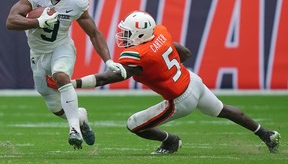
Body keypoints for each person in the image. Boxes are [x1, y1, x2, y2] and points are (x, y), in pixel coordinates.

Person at [50, 10, 280, 154]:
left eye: (127, 33)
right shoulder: (159, 34)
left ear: (140, 35)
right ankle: (266, 133)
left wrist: (73, 83)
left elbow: (108, 77)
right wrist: (168, 67)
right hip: (193, 81)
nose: (123, 37)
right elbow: (184, 52)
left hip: (180, 98)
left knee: (134, 124)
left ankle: (170, 141)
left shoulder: (138, 55)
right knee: (222, 110)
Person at [6, 0, 126, 150]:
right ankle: (80, 117)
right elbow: (11, 21)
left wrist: (108, 60)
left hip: (62, 47)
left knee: (61, 75)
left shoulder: (76, 0)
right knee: (53, 106)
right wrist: (39, 21)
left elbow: (94, 33)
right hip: (37, 54)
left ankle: (74, 130)